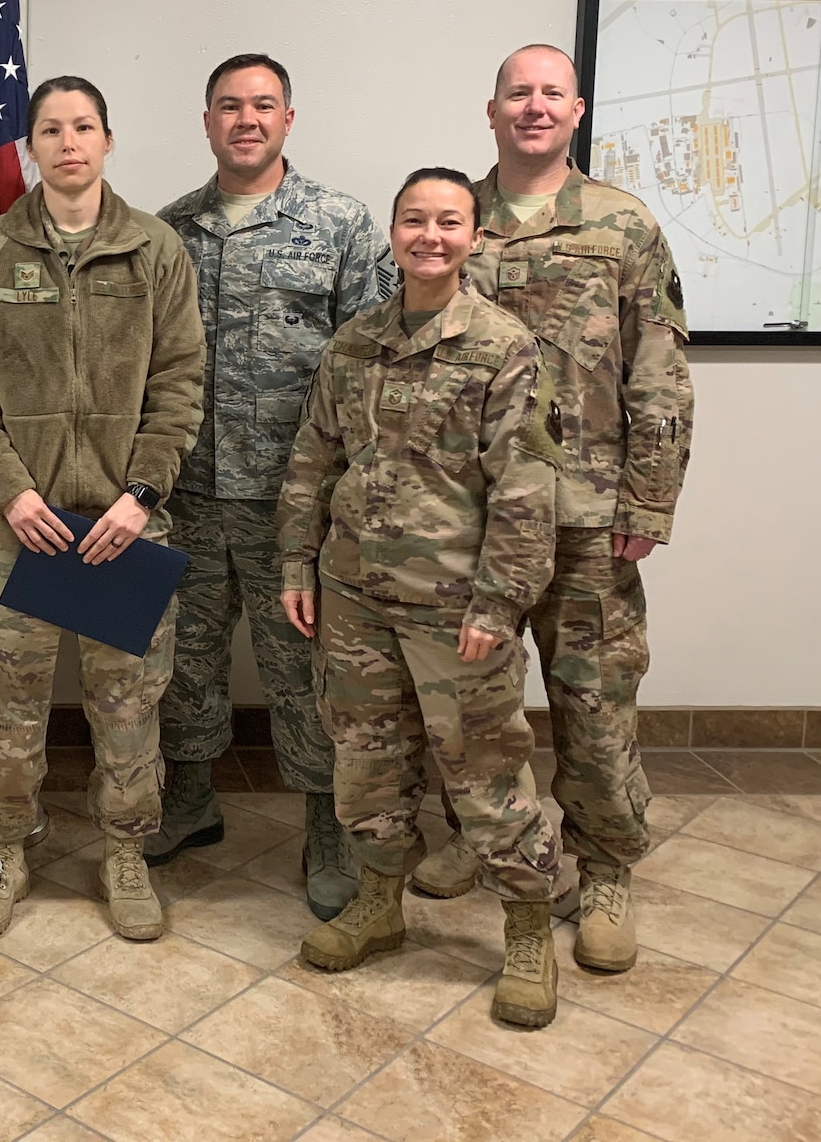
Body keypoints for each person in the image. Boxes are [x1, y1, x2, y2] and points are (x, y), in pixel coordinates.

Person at [410, 44, 693, 977]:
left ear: (577, 111)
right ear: (490, 110)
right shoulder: (451, 217)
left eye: (550, 94)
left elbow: (660, 368)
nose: (533, 107)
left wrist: (650, 496)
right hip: (466, 514)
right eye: (516, 93)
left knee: (593, 698)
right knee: (472, 702)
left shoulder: (622, 224)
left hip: (586, 506)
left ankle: (605, 867)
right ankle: (478, 837)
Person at [279, 167, 566, 1029]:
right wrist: (297, 563)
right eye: (414, 221)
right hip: (354, 593)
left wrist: (498, 603)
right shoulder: (354, 342)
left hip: (454, 604)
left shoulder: (502, 346)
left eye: (448, 222)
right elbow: (313, 457)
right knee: (367, 759)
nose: (430, 237)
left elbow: (525, 486)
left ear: (473, 237)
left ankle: (525, 927)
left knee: (484, 768)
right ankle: (379, 899)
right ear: (394, 233)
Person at [0, 75, 206, 943]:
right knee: (7, 702)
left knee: (127, 706)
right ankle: (7, 849)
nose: (68, 143)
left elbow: (178, 383)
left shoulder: (155, 250)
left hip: (121, 524)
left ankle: (125, 853)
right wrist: (11, 492)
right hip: (22, 527)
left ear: (108, 139)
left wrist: (142, 495)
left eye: (83, 126)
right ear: (32, 146)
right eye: (50, 129)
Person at [154, 52, 394, 920]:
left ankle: (328, 823)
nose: (246, 119)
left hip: (297, 502)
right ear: (207, 121)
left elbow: (374, 367)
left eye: (263, 105)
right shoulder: (167, 229)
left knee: (308, 671)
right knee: (182, 659)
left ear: (289, 118)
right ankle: (189, 799)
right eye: (229, 106)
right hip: (183, 492)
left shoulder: (341, 224)